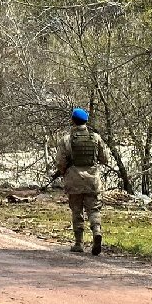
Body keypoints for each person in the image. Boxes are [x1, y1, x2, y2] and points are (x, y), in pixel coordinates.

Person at [54, 107, 112, 254]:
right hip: (92, 180)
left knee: (77, 211)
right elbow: (105, 158)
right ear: (86, 121)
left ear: (73, 120)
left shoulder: (66, 139)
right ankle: (97, 231)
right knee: (94, 209)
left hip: (74, 180)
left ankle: (79, 243)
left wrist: (63, 172)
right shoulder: (95, 137)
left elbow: (60, 162)